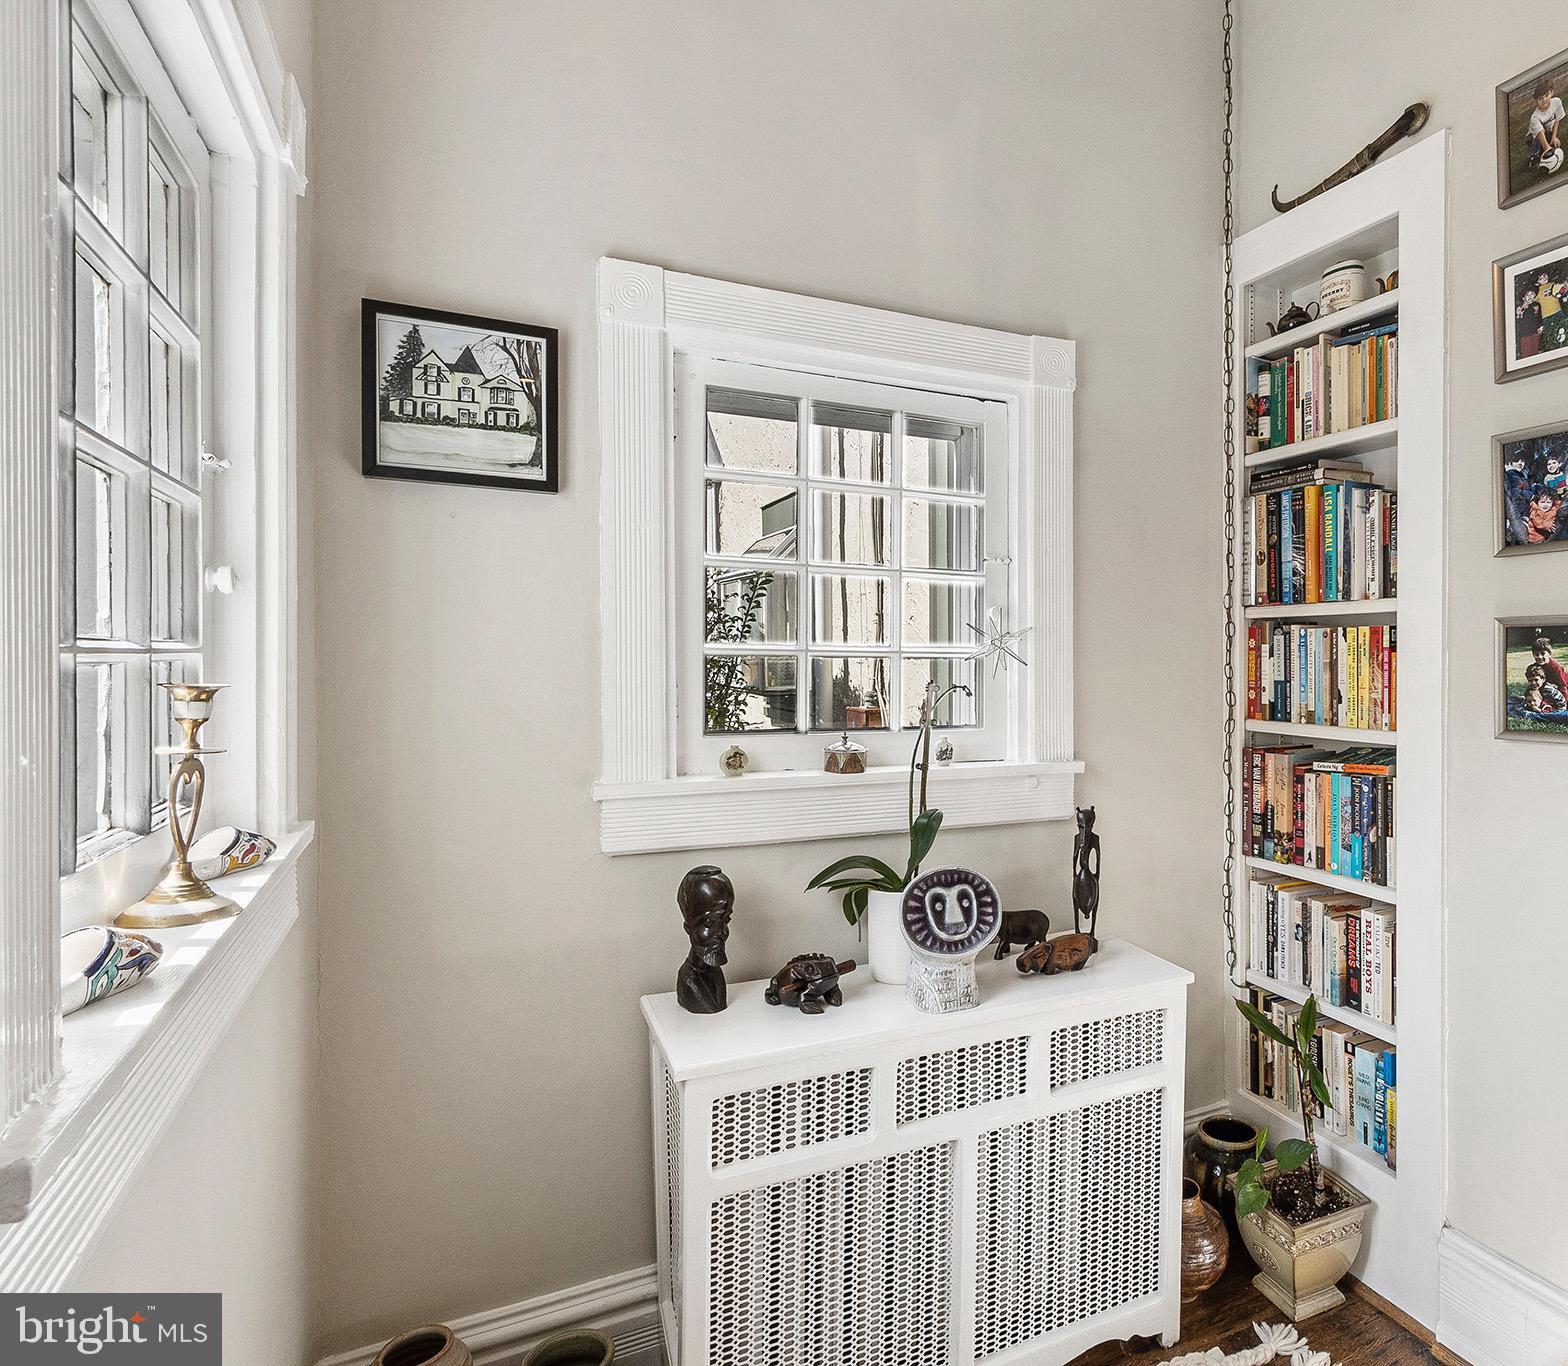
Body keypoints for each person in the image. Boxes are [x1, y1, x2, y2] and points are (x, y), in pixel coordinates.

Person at [1527, 76, 1564, 169]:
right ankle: (1533, 157)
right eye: (1540, 98)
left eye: (1546, 95)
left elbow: (1557, 120)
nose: (1544, 100)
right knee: (1537, 143)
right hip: (1533, 137)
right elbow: (1540, 133)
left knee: (1557, 143)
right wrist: (1547, 148)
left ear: (1552, 92)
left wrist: (1554, 137)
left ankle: (1547, 144)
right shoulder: (1535, 117)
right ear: (1535, 100)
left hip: (1548, 131)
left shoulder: (1557, 102)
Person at [1518, 285, 1543, 358]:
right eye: (1527, 295)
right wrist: (1520, 313)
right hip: (1524, 334)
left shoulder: (1537, 305)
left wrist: (1541, 326)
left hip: (1535, 332)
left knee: (1534, 351)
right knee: (1526, 354)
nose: (1530, 296)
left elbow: (1539, 316)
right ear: (1523, 298)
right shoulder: (1521, 308)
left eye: (1532, 294)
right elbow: (1518, 322)